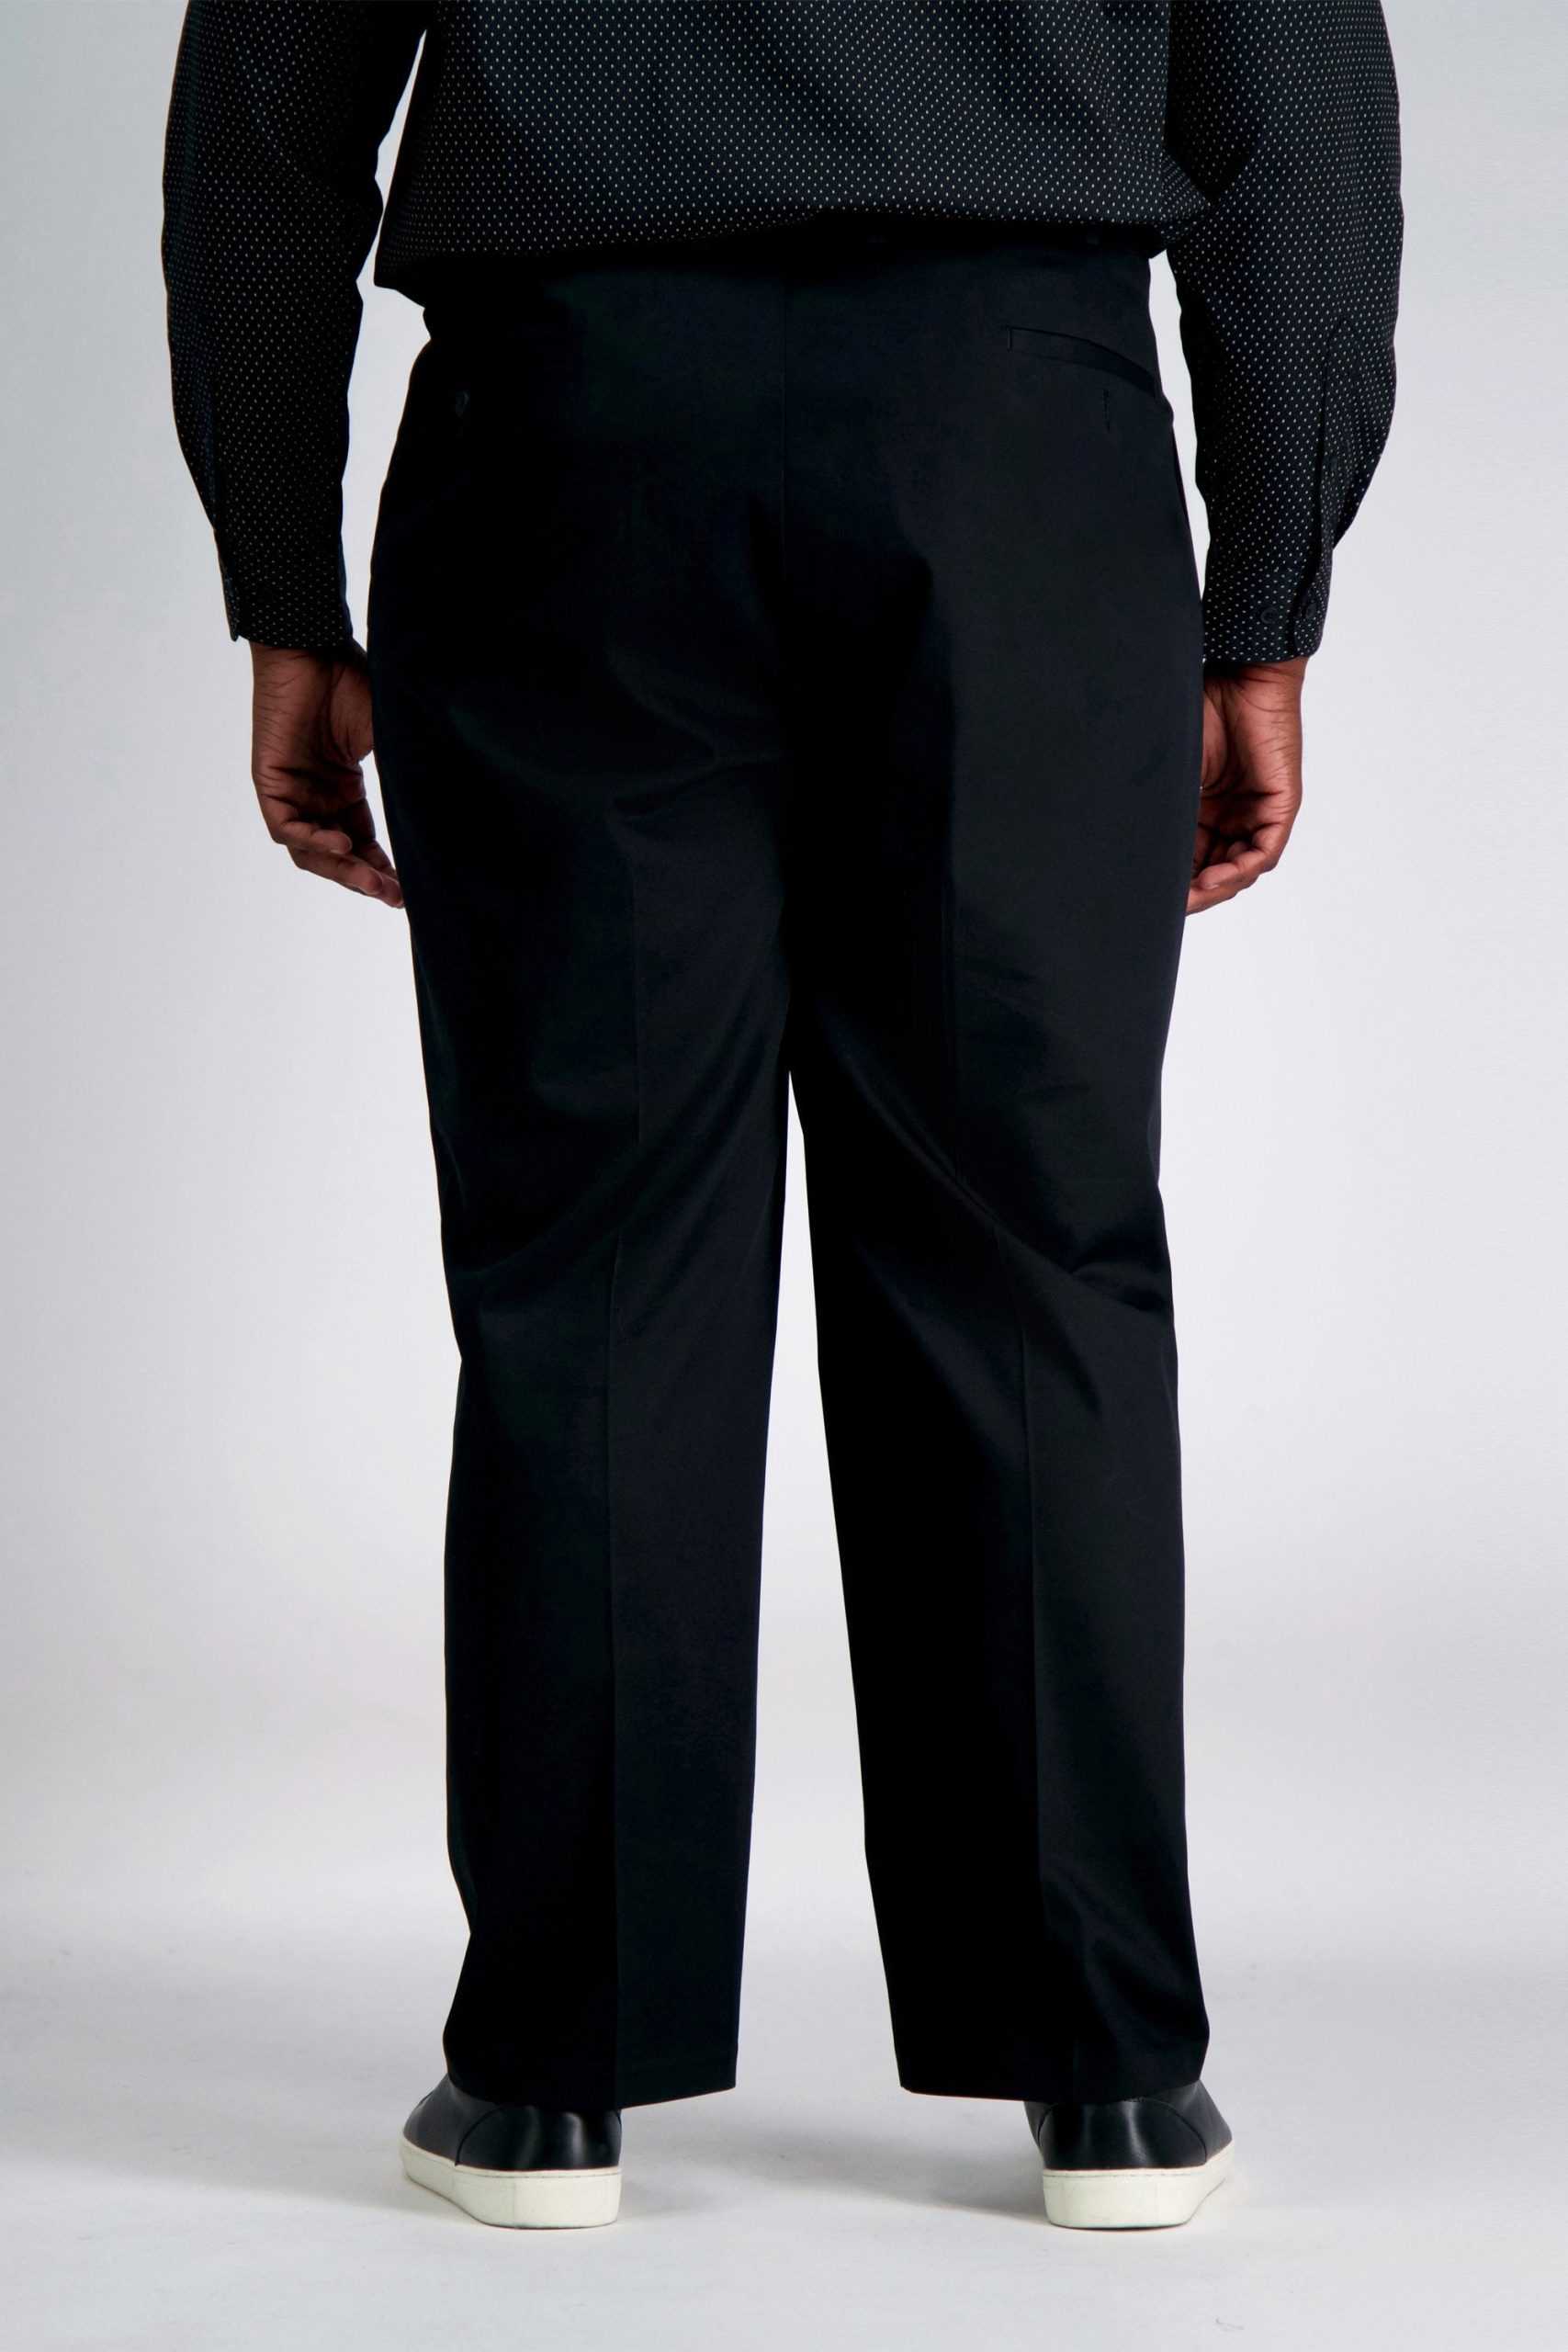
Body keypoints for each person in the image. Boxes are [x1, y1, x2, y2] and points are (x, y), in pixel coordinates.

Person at [162, 1, 1401, 2233]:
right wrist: (1264, 599)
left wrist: (280, 574)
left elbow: (265, 113)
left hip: (568, 449)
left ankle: (548, 2074)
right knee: (1029, 1249)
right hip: (1013, 436)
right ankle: (1108, 2066)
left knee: (592, 1258)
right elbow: (1292, 107)